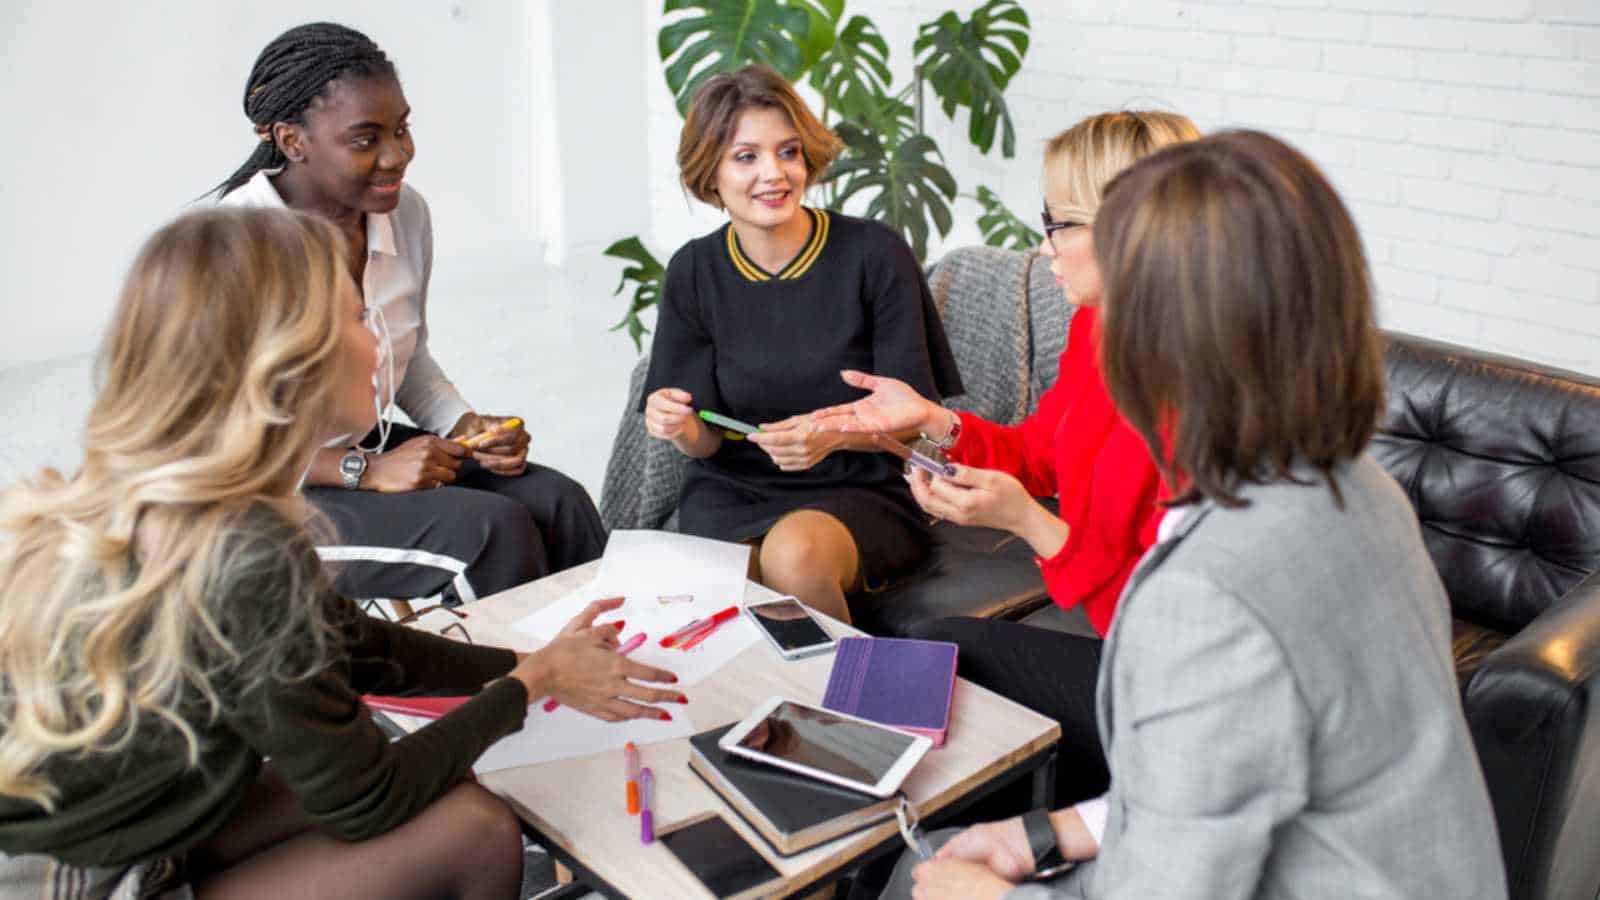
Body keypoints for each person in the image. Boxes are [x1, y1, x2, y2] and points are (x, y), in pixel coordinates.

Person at [880, 131, 1508, 900]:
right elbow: (1223, 782)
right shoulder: (1358, 487)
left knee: (921, 871)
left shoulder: (1204, 598)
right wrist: (1049, 831)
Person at [0, 208, 682, 900]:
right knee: (473, 828)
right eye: (360, 319)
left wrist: (529, 666)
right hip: (80, 883)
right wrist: (527, 689)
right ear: (291, 363)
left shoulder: (174, 500)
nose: (378, 342)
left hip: (137, 827)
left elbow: (350, 645)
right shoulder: (242, 552)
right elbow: (366, 802)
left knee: (428, 763)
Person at [813, 111, 1199, 804]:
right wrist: (938, 422)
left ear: (1134, 229)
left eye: (1061, 223)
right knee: (926, 670)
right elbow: (1044, 454)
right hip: (1133, 652)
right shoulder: (1097, 328)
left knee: (940, 661)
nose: (1044, 246)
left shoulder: (1193, 386)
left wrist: (1026, 522)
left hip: (1182, 688)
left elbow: (1159, 617)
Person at [215, 22, 605, 605]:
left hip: (360, 443)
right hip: (250, 495)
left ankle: (599, 668)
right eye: (365, 139)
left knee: (558, 501)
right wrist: (363, 472)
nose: (396, 155)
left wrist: (464, 425)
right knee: (489, 534)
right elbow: (209, 434)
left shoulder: (404, 213)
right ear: (292, 141)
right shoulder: (231, 245)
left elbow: (407, 350)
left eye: (401, 129)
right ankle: (494, 692)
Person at [640, 65, 962, 624]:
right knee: (707, 595)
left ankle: (851, 705)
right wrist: (679, 426)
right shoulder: (693, 271)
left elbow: (911, 421)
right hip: (731, 488)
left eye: (788, 152)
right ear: (709, 171)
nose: (774, 173)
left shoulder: (874, 254)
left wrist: (831, 436)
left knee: (792, 557)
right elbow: (706, 442)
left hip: (860, 488)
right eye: (747, 157)